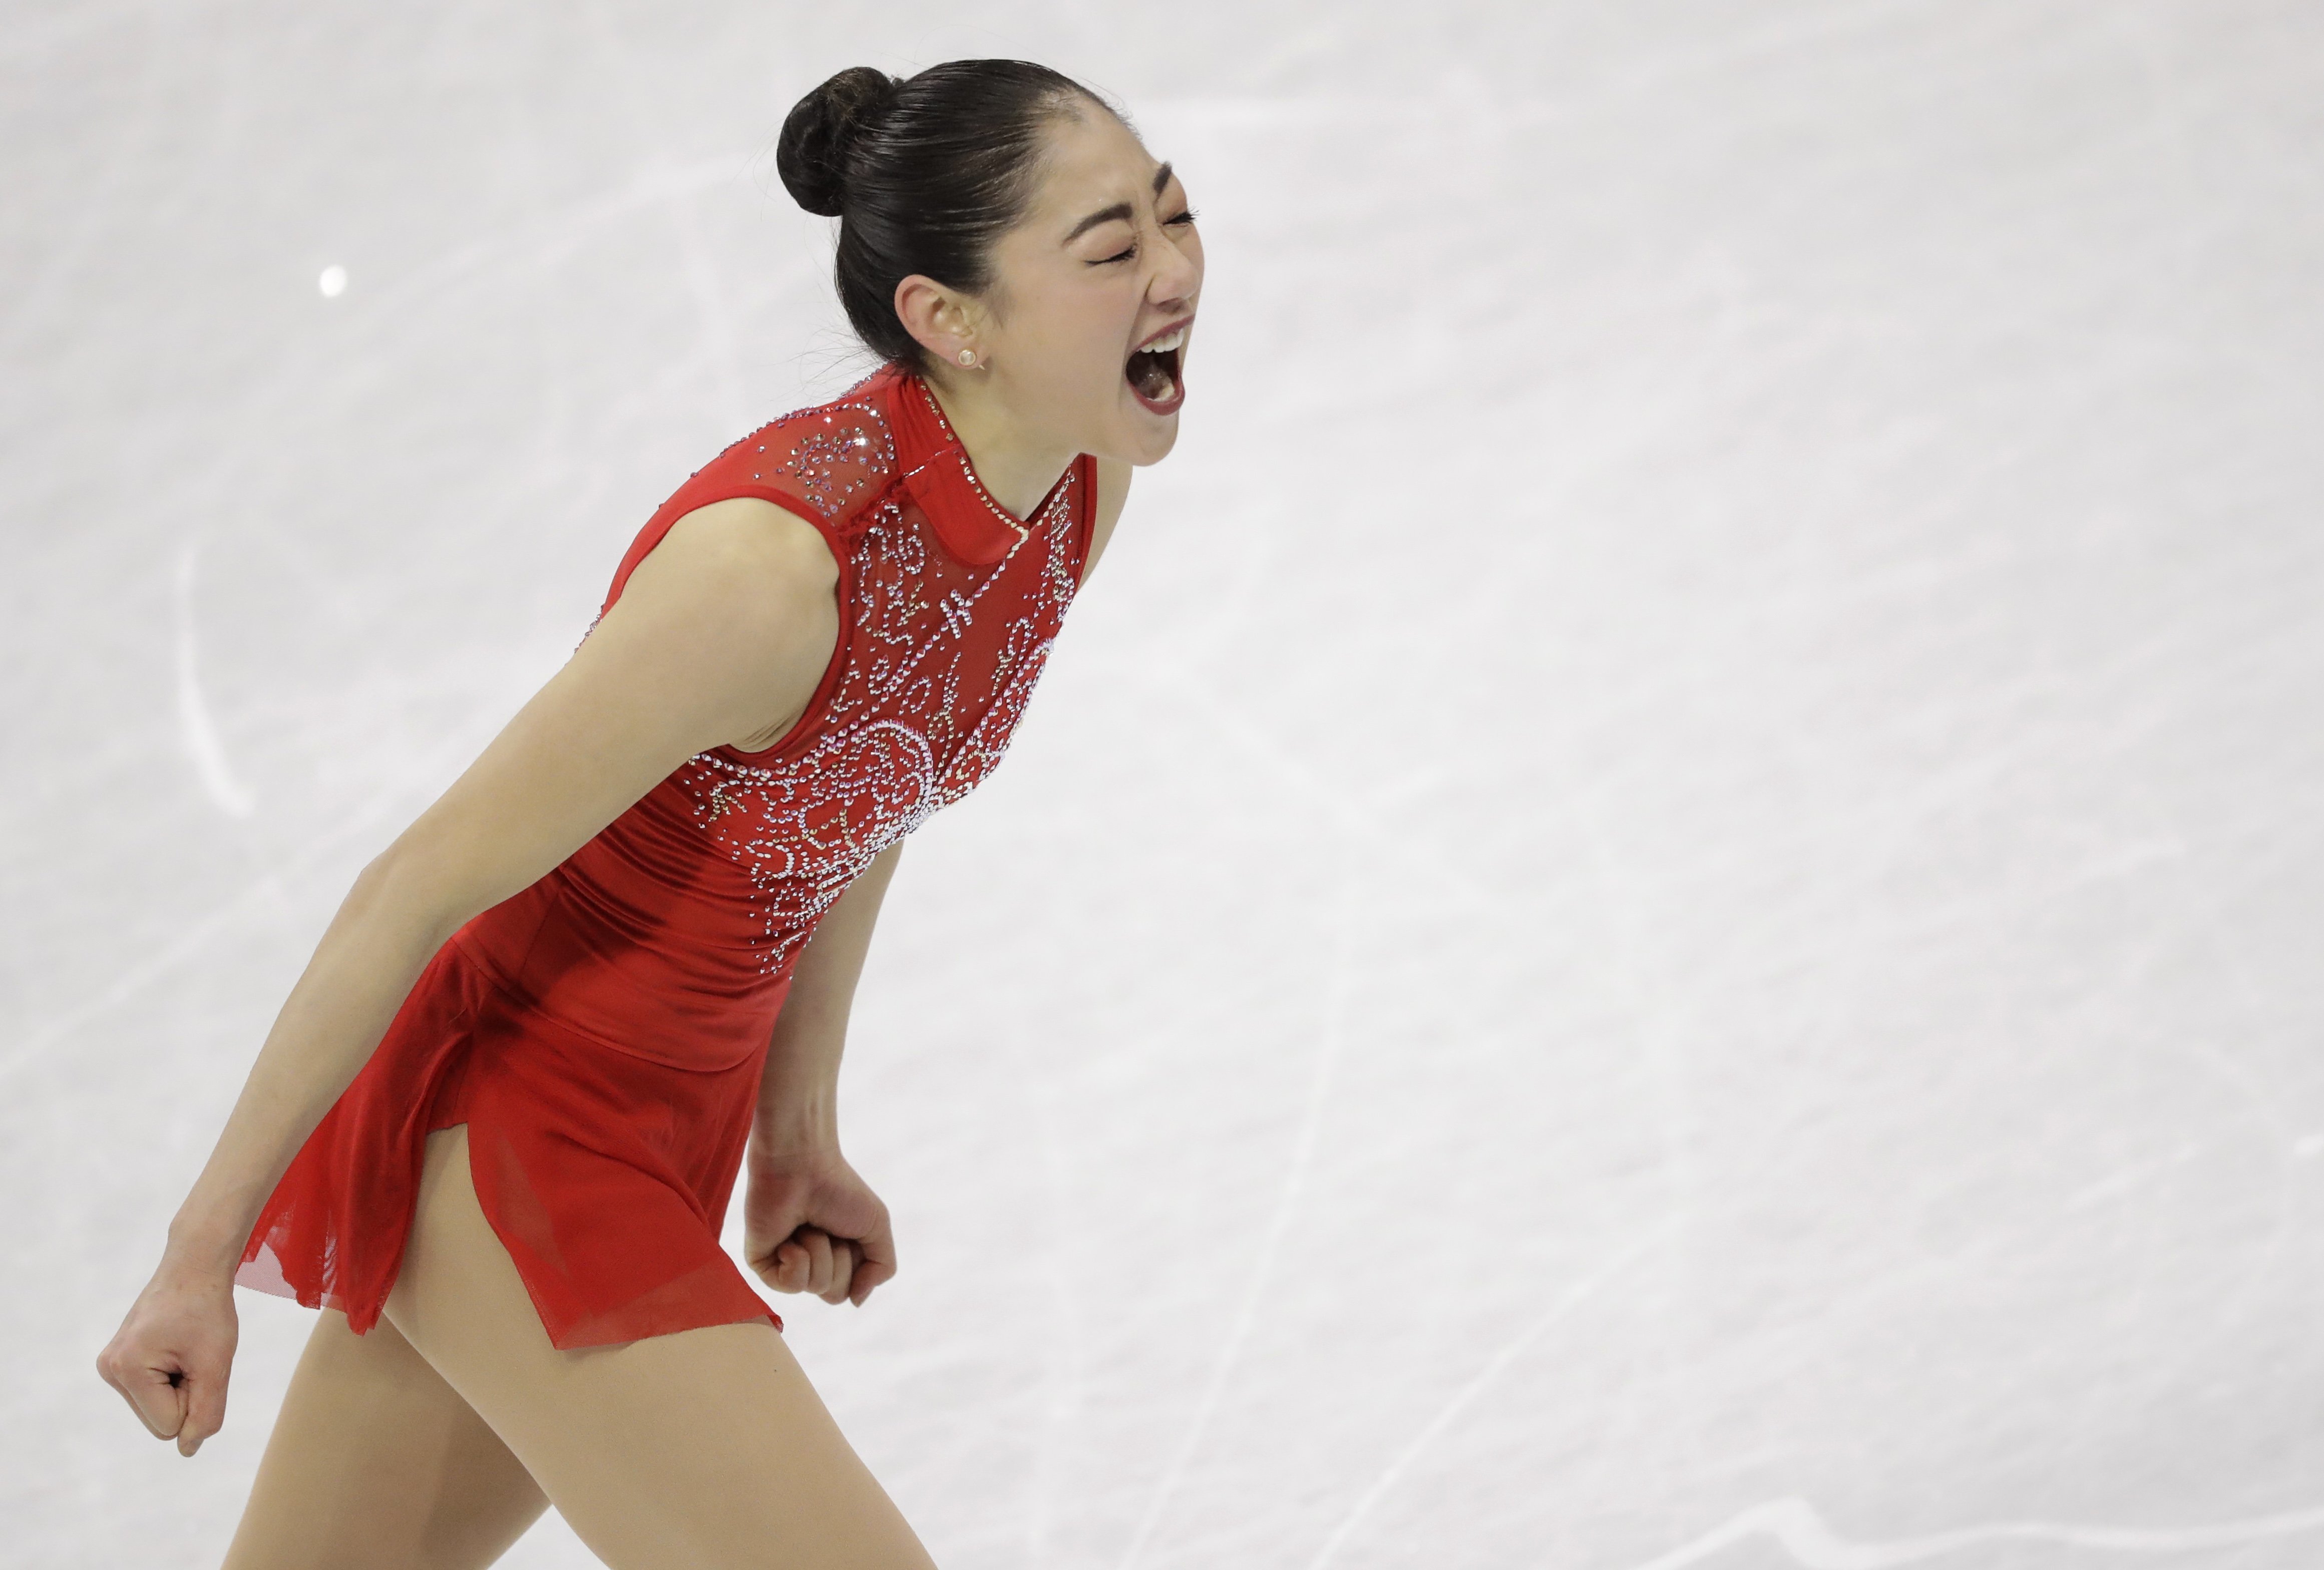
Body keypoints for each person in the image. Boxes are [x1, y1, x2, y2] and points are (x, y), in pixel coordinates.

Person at [94, 57, 1203, 1569]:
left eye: (1172, 215)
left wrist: (792, 1131)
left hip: (676, 1118)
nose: (1173, 273)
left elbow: (876, 787)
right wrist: (193, 1262)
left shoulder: (1072, 493)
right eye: (1110, 248)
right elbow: (409, 891)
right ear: (950, 319)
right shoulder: (763, 577)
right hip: (518, 1142)